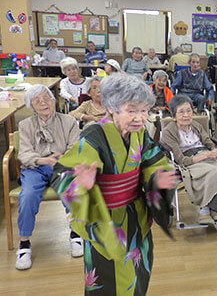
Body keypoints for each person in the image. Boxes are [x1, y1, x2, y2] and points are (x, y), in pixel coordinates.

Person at [51, 73, 177, 295]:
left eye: (144, 110)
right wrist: (82, 186)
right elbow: (64, 173)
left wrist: (158, 180)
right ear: (112, 107)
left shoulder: (139, 134)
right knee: (107, 280)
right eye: (132, 110)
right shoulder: (93, 135)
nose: (140, 118)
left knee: (138, 276)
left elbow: (153, 162)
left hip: (136, 218)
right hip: (107, 220)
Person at [15, 84, 82, 270]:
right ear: (31, 106)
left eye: (47, 98)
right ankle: (24, 243)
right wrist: (43, 160)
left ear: (54, 100)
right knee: (27, 196)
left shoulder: (69, 121)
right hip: (35, 168)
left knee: (71, 189)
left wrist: (62, 159)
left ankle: (76, 233)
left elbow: (75, 147)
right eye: (37, 101)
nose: (44, 102)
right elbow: (24, 154)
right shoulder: (25, 125)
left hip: (62, 166)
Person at [162, 95, 217, 224]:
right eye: (181, 112)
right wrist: (206, 156)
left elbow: (207, 141)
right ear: (173, 116)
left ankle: (213, 209)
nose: (186, 115)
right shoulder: (168, 132)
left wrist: (214, 150)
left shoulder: (196, 125)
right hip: (189, 159)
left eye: (189, 110)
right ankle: (206, 210)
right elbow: (181, 160)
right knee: (214, 171)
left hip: (204, 152)